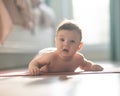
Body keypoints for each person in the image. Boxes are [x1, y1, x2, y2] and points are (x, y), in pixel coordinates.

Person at [28, 20, 104, 75]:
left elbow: (86, 65)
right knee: (40, 56)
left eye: (72, 41)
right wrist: (34, 67)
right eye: (62, 40)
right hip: (44, 53)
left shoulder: (78, 58)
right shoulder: (50, 57)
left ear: (79, 46)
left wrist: (93, 66)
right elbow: (35, 62)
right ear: (55, 41)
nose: (66, 44)